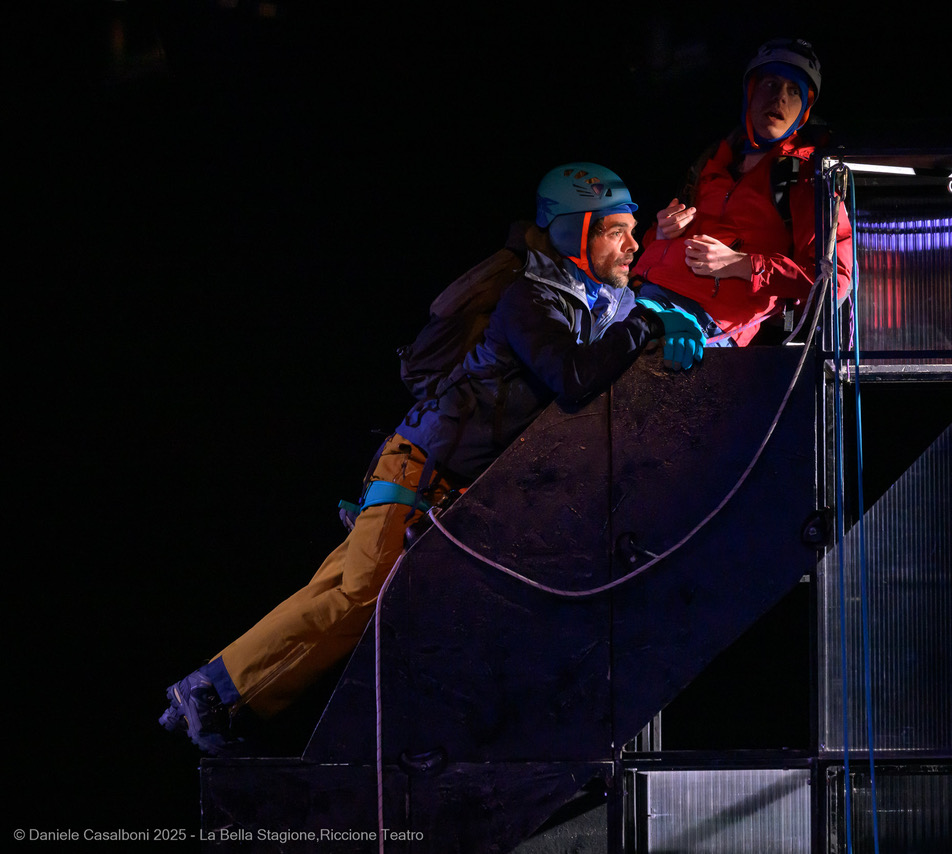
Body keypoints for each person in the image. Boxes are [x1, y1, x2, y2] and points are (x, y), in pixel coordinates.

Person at [158, 163, 707, 755]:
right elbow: (573, 377)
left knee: (344, 589)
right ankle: (214, 694)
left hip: (442, 477)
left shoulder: (594, 299)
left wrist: (666, 312)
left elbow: (623, 328)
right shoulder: (529, 298)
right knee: (365, 596)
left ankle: (209, 689)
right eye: (616, 230)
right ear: (578, 234)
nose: (633, 243)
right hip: (420, 466)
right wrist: (649, 317)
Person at [630, 38, 854, 347]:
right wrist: (664, 231)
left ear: (805, 108)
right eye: (771, 84)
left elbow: (835, 280)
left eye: (794, 91)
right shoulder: (713, 160)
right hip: (643, 294)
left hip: (707, 323)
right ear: (750, 91)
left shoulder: (807, 175)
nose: (780, 99)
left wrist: (742, 264)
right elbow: (654, 245)